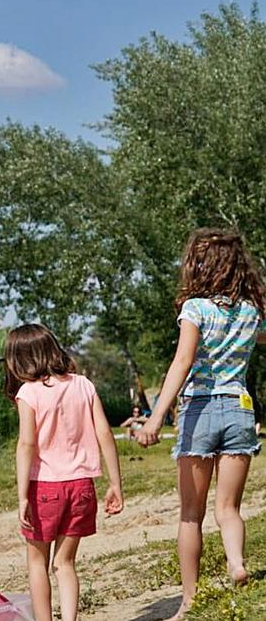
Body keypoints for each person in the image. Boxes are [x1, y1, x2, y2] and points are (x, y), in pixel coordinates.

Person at [136, 228, 266, 619]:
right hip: (240, 411)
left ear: (199, 266)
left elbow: (183, 361)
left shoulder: (194, 308)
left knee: (191, 514)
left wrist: (155, 417)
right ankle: (236, 562)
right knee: (228, 509)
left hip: (199, 412)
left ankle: (189, 601)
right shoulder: (250, 311)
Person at [3, 324, 124, 621]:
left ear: (20, 359)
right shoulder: (83, 385)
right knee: (65, 563)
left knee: (37, 563)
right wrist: (115, 483)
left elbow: (26, 444)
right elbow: (105, 434)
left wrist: (21, 497)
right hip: (82, 486)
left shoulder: (28, 393)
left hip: (44, 488)